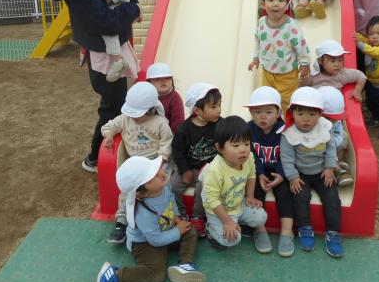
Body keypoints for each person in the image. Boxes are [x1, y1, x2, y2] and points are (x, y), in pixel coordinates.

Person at [48, 0, 140, 173]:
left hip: (108, 47)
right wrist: (133, 8)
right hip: (102, 51)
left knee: (117, 101)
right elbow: (104, 20)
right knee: (112, 105)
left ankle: (114, 151)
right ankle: (95, 158)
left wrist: (128, 3)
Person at [96, 156, 206, 282]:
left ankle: (185, 265)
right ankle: (116, 274)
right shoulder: (143, 211)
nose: (160, 174)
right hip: (145, 243)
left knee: (190, 230)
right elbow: (155, 240)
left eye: (156, 169)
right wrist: (177, 231)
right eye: (151, 177)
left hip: (166, 229)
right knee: (155, 276)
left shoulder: (164, 186)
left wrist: (176, 218)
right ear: (141, 193)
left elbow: (171, 201)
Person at [101, 82, 173, 244]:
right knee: (128, 190)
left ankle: (164, 214)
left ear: (151, 109)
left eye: (137, 113)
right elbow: (110, 126)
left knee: (163, 185)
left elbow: (166, 142)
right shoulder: (125, 119)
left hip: (155, 162)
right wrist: (109, 135)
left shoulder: (159, 122)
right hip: (134, 164)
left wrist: (161, 160)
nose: (133, 116)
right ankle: (121, 220)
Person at [280, 87, 344, 258]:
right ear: (292, 113)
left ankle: (333, 232)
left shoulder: (325, 128)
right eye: (300, 114)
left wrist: (329, 168)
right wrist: (292, 177)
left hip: (322, 172)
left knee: (332, 197)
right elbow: (286, 158)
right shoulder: (289, 133)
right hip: (300, 174)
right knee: (300, 197)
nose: (306, 119)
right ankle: (305, 228)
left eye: (312, 114)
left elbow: (330, 149)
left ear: (320, 114)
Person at [202, 116, 272, 252]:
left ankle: (236, 220)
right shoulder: (215, 170)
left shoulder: (249, 157)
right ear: (220, 148)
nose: (243, 149)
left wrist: (250, 196)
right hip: (217, 210)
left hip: (237, 204)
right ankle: (210, 228)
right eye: (236, 145)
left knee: (261, 217)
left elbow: (251, 175)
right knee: (232, 240)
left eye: (246, 143)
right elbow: (212, 200)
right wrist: (227, 222)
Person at [245, 86, 295, 257]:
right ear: (251, 112)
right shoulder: (248, 129)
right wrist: (259, 173)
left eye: (268, 112)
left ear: (278, 112)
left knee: (285, 193)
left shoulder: (285, 130)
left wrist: (281, 174)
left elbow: (287, 155)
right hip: (257, 171)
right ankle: (259, 230)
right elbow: (251, 154)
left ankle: (287, 232)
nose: (263, 116)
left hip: (281, 170)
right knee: (256, 192)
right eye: (257, 112)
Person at [248, 0, 311, 112]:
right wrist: (256, 58)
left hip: (287, 74)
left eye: (281, 0)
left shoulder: (292, 27)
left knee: (287, 100)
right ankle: (273, 117)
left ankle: (287, 117)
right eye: (271, 0)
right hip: (267, 72)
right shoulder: (261, 22)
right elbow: (258, 42)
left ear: (287, 4)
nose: (275, 4)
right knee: (269, 97)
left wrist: (304, 63)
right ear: (263, 3)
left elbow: (302, 46)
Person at [170, 83, 222, 237]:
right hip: (188, 166)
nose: (219, 110)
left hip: (209, 168)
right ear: (197, 110)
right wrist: (184, 170)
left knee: (203, 187)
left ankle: (198, 216)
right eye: (213, 107)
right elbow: (177, 151)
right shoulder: (184, 129)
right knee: (173, 186)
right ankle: (181, 215)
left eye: (219, 105)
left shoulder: (220, 125)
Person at [300, 39, 366, 103]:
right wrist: (305, 78)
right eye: (332, 61)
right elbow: (302, 88)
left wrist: (357, 91)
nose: (337, 64)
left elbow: (361, 76)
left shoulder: (342, 74)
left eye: (340, 60)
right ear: (320, 61)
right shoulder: (314, 74)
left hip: (334, 105)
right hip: (315, 104)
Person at [317, 86, 353, 187]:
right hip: (316, 151)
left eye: (335, 118)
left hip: (332, 146)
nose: (333, 121)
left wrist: (333, 143)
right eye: (328, 118)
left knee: (344, 136)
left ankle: (339, 161)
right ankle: (338, 170)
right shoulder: (310, 123)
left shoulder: (336, 121)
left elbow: (339, 134)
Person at [146, 63, 185, 134]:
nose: (163, 81)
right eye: (157, 79)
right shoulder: (145, 96)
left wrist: (172, 138)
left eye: (167, 78)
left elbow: (178, 122)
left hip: (167, 135)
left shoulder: (175, 98)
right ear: (149, 82)